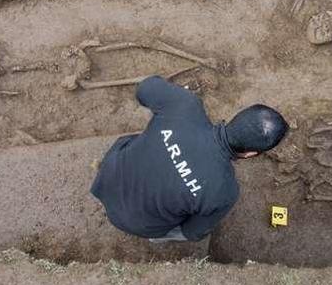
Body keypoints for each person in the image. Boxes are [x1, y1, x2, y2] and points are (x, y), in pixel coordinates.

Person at [91, 75, 289, 242]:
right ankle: (157, 239)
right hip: (138, 225)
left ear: (235, 118)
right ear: (250, 154)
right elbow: (193, 233)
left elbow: (145, 87)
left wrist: (172, 111)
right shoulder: (224, 190)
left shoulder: (185, 106)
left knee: (146, 135)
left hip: (106, 180)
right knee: (190, 224)